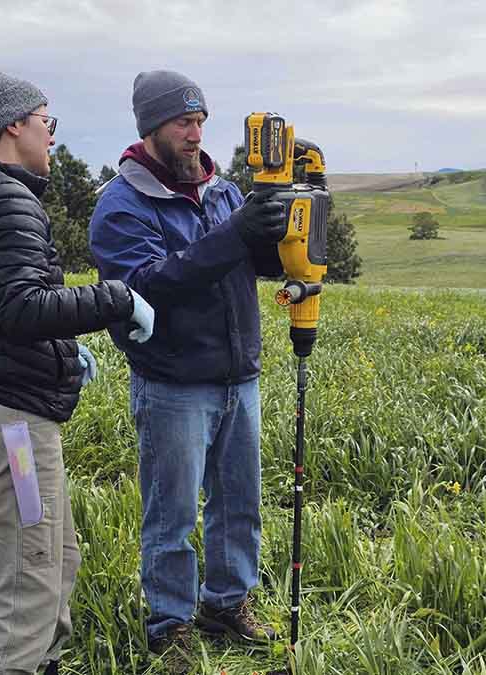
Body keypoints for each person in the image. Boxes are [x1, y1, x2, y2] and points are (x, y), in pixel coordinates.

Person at [0, 66, 155, 675]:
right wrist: (118, 298)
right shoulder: (4, 197)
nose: (52, 136)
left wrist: (58, 349)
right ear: (13, 125)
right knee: (25, 587)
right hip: (11, 428)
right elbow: (23, 306)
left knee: (54, 562)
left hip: (4, 410)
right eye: (46, 122)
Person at [89, 70, 287, 670]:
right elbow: (151, 286)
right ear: (151, 127)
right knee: (171, 513)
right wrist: (235, 235)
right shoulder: (120, 204)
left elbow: (257, 264)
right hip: (173, 383)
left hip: (238, 374)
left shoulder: (223, 191)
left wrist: (288, 225)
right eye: (183, 122)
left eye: (200, 121)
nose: (195, 133)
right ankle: (169, 622)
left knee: (238, 504)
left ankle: (227, 603)